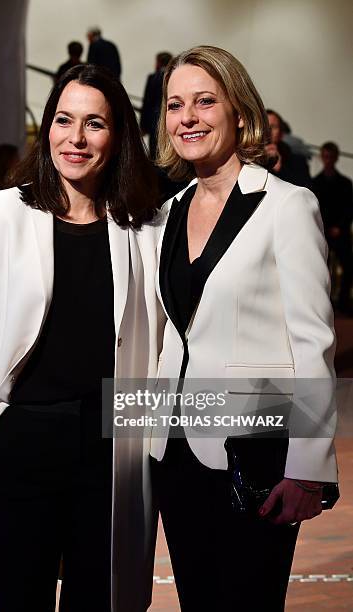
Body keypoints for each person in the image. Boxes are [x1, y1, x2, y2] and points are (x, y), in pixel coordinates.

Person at [0, 64, 163, 612]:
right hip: (23, 435)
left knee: (96, 595)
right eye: (63, 120)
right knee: (22, 595)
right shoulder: (4, 211)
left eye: (94, 124)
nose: (75, 138)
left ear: (119, 134)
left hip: (111, 441)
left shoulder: (144, 224)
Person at [150, 46, 338, 611]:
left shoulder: (287, 206)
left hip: (255, 452)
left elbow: (313, 344)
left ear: (239, 111)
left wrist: (309, 468)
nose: (189, 117)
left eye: (205, 101)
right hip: (174, 450)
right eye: (175, 105)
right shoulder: (167, 213)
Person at [312, 141, 353, 315]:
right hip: (323, 232)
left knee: (349, 267)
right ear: (322, 157)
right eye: (325, 156)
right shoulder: (315, 183)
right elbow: (315, 209)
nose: (328, 160)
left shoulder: (345, 183)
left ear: (336, 158)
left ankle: (343, 303)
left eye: (331, 157)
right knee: (320, 269)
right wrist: (326, 228)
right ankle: (324, 304)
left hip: (341, 232)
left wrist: (340, 227)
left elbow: (349, 208)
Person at [140, 52, 173, 160]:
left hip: (154, 120)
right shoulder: (173, 77)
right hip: (171, 118)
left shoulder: (153, 77)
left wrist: (143, 126)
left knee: (155, 155)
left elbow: (147, 102)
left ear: (158, 62)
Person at [266, 109, 311, 187]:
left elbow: (305, 191)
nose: (268, 131)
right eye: (264, 126)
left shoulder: (298, 162)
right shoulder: (246, 159)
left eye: (273, 127)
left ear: (281, 133)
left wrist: (279, 169)